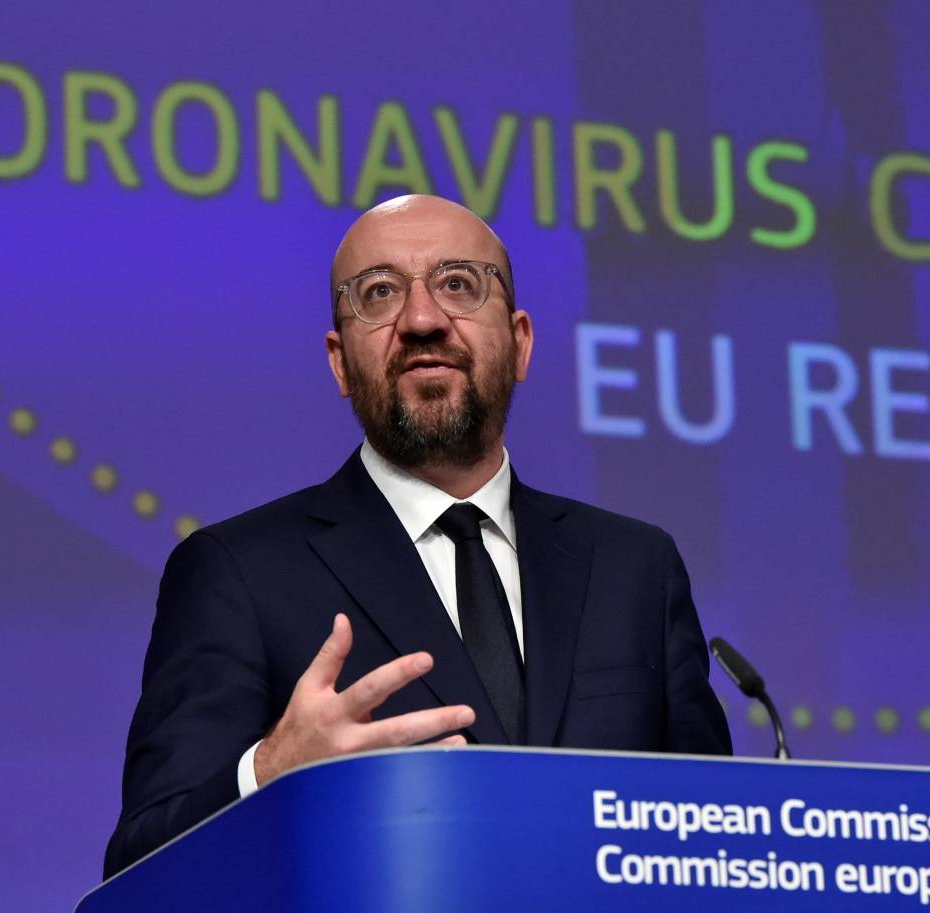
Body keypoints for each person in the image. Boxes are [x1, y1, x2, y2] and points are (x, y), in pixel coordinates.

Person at [103, 195, 732, 878]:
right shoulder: (239, 572)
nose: (423, 320)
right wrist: (270, 773)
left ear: (520, 342)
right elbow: (140, 865)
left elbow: (717, 849)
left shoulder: (635, 567)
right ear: (340, 363)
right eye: (378, 293)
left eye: (459, 283)